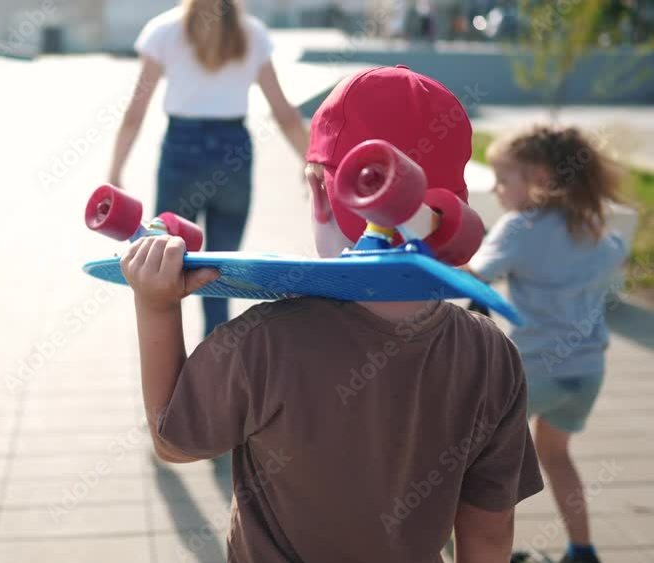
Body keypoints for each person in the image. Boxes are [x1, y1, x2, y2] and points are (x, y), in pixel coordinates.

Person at [118, 65, 544, 562]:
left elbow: (175, 440)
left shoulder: (264, 341)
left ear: (320, 191)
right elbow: (490, 533)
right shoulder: (491, 354)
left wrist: (156, 307)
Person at [465, 125, 627, 563]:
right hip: (586, 372)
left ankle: (465, 550)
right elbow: (613, 263)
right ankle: (583, 550)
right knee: (556, 456)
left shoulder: (520, 227)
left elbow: (472, 276)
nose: (497, 190)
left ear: (539, 178)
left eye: (503, 179)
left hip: (534, 371)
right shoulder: (594, 226)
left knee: (477, 466)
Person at [109, 0, 309, 338]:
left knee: (163, 270)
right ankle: (215, 376)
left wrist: (115, 170)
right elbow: (285, 113)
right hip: (234, 154)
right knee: (220, 274)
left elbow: (135, 112)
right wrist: (310, 162)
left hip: (182, 150)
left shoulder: (164, 31)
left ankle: (172, 372)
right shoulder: (252, 33)